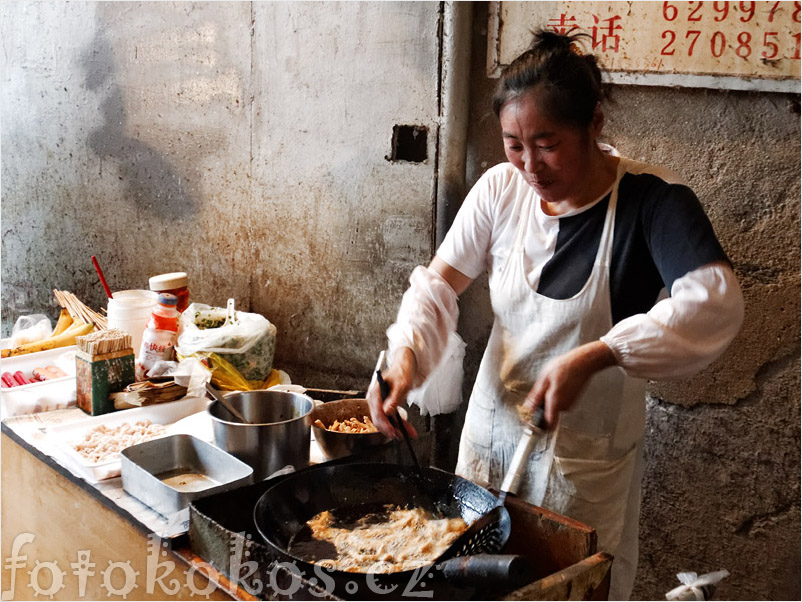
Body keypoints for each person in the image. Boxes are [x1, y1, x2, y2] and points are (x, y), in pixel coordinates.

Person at [366, 29, 744, 600]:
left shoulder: (651, 202)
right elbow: (439, 285)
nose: (530, 165)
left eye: (547, 143)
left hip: (581, 467)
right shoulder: (501, 190)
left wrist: (597, 355)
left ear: (593, 124)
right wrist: (405, 356)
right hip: (489, 443)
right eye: (514, 144)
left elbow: (715, 301)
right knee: (471, 583)